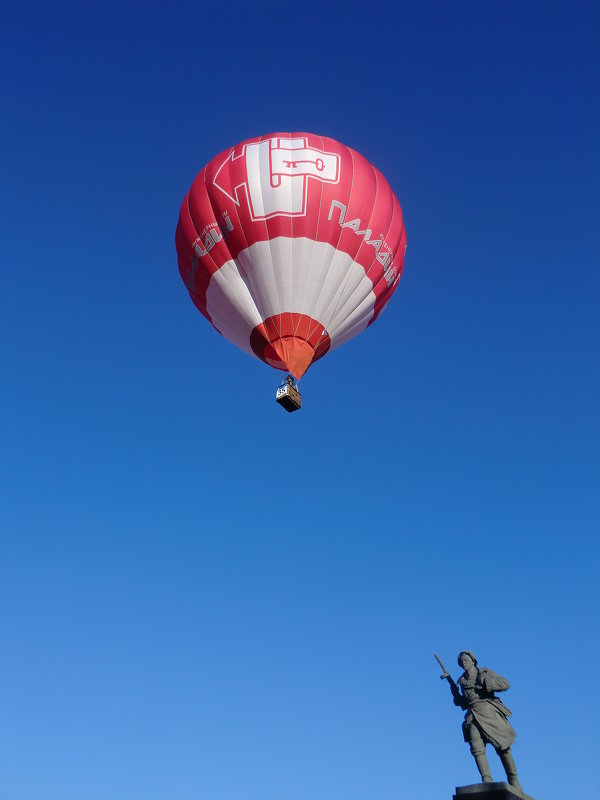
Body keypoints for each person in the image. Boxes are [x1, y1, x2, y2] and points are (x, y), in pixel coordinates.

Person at [449, 651, 521, 789]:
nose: (463, 663)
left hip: (488, 713)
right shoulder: (462, 681)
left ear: (473, 660)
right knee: (476, 749)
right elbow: (463, 704)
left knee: (503, 748)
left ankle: (514, 780)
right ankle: (486, 779)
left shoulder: (484, 672)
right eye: (461, 661)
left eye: (465, 660)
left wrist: (487, 682)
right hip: (472, 717)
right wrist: (454, 692)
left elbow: (505, 684)